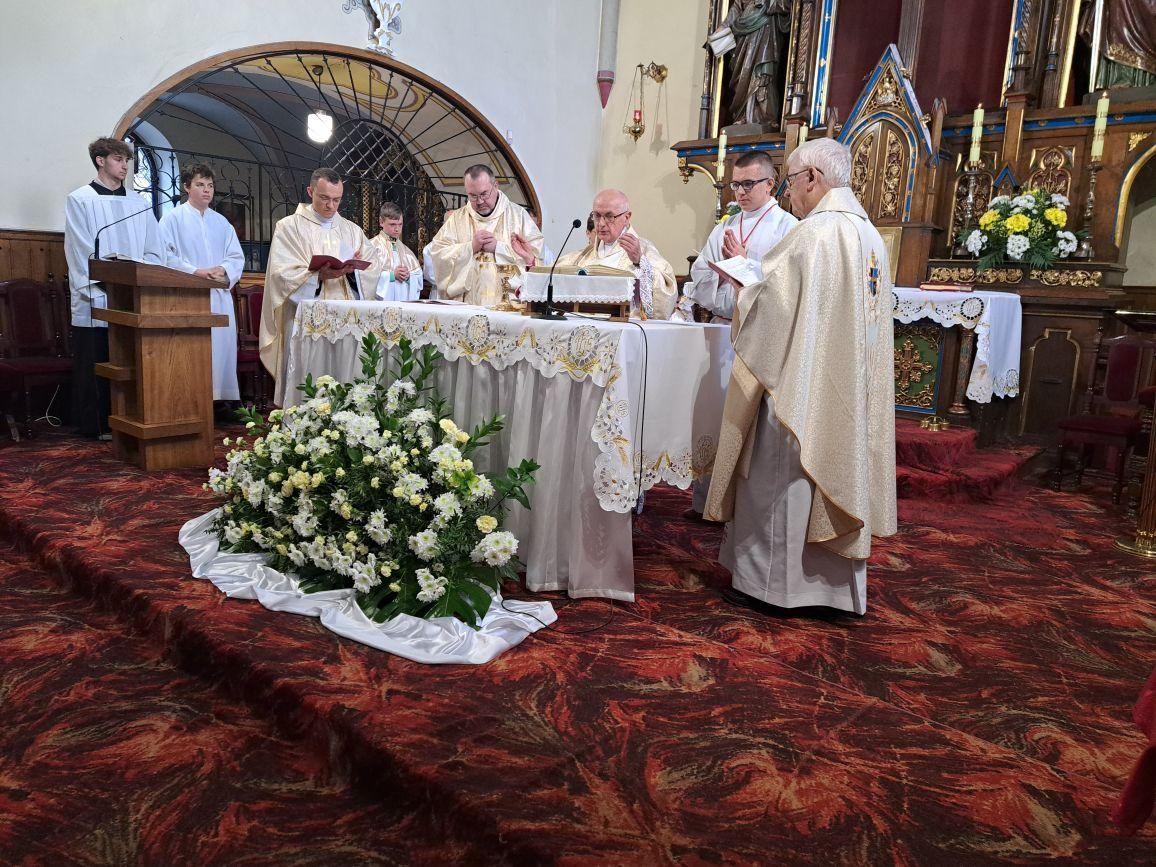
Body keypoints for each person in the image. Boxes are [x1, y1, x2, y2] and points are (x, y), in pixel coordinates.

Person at [705, 138, 896, 616]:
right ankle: (834, 593)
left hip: (800, 385)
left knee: (779, 475)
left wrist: (743, 287)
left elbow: (772, 309)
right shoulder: (869, 235)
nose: (789, 193)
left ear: (812, 177)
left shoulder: (815, 234)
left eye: (790, 181)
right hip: (847, 387)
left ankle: (772, 588)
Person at [64, 136, 165, 438]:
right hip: (97, 297)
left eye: (127, 161)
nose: (124, 166)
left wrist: (142, 281)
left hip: (134, 297)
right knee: (97, 361)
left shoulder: (139, 203)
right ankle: (96, 424)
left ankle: (131, 421)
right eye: (118, 159)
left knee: (132, 363)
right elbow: (80, 250)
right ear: (100, 160)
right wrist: (106, 286)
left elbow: (155, 249)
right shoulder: (80, 199)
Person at [259, 167, 386, 405]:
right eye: (324, 198)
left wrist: (354, 271)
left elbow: (373, 265)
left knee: (343, 373)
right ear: (310, 192)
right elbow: (280, 274)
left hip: (346, 316)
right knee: (309, 374)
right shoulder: (289, 227)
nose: (331, 206)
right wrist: (317, 276)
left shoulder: (351, 229)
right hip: (304, 316)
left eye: (337, 200)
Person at [158, 163, 245, 404]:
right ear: (187, 187)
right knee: (193, 350)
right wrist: (195, 272)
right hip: (188, 295)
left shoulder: (222, 223)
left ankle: (222, 401)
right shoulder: (172, 219)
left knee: (222, 349)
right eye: (200, 184)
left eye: (210, 185)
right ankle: (193, 400)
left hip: (218, 295)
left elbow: (236, 256)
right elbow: (165, 256)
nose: (207, 190)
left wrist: (223, 269)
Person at [686, 150, 796, 322]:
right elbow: (699, 279)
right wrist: (721, 273)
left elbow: (788, 283)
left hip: (760, 327)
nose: (740, 192)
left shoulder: (787, 226)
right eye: (736, 185)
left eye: (748, 184)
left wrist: (743, 265)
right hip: (720, 323)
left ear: (769, 184)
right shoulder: (724, 227)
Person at [553, 189, 678, 320]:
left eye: (609, 216)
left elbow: (665, 293)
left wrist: (639, 262)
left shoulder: (643, 250)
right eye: (597, 215)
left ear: (627, 217)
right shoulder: (582, 256)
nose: (601, 224)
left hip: (625, 326)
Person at [429, 165, 543, 306]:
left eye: (484, 194)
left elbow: (535, 260)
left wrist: (498, 248)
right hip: (467, 306)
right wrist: (470, 247)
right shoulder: (456, 219)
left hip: (508, 306)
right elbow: (438, 254)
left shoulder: (519, 216)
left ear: (496, 186)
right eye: (473, 196)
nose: (480, 201)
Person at [369, 202, 423, 301]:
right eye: (392, 224)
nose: (397, 229)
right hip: (380, 305)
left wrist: (408, 277)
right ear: (381, 222)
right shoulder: (371, 247)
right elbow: (364, 278)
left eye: (400, 224)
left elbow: (419, 281)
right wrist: (392, 276)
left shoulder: (407, 252)